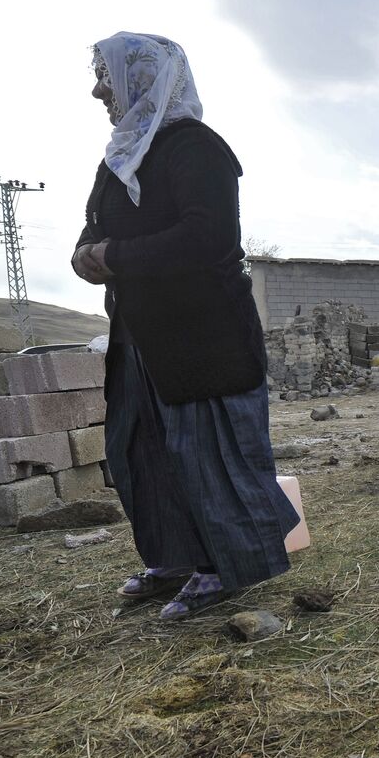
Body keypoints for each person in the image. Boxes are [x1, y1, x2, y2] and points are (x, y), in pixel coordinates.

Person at [71, 32, 298, 619]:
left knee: (208, 455)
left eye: (108, 76)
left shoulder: (195, 148)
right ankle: (172, 558)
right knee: (143, 451)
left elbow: (209, 238)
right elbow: (93, 228)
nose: (98, 89)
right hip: (140, 338)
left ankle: (223, 567)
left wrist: (116, 256)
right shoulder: (120, 156)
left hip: (203, 340)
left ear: (145, 79)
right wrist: (86, 256)